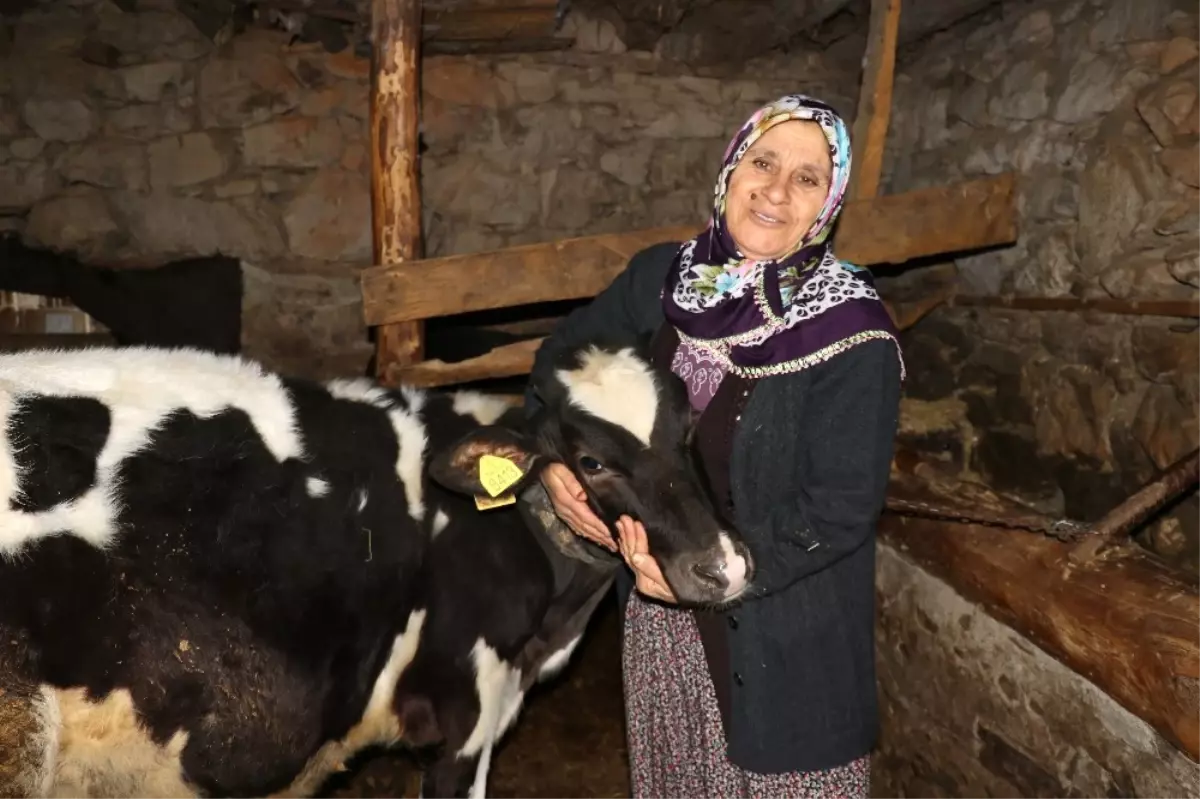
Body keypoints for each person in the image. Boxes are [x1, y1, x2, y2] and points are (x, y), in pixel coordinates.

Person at [523, 94, 904, 797]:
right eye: (763, 161)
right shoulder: (664, 281)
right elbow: (560, 362)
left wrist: (720, 573)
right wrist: (550, 462)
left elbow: (840, 509)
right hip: (659, 619)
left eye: (807, 178)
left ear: (829, 203)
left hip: (785, 644)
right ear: (731, 169)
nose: (776, 190)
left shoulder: (852, 333)